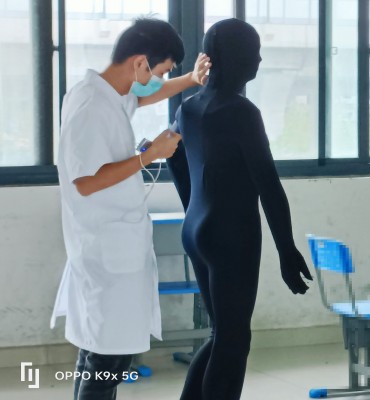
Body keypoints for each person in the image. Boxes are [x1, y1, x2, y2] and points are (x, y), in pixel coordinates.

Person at [49, 18, 210, 400]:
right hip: (105, 254)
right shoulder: (90, 105)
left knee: (98, 354)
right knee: (107, 361)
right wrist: (148, 156)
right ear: (140, 62)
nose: (159, 80)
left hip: (114, 249)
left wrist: (190, 79)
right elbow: (86, 182)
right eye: (159, 71)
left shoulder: (110, 93)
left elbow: (143, 97)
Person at [166, 18, 313, 400]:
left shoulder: (189, 107)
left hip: (197, 230)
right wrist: (287, 250)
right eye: (254, 52)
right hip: (231, 235)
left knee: (222, 335)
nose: (260, 59)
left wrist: (194, 208)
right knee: (234, 342)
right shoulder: (241, 112)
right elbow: (268, 185)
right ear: (234, 58)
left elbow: (173, 158)